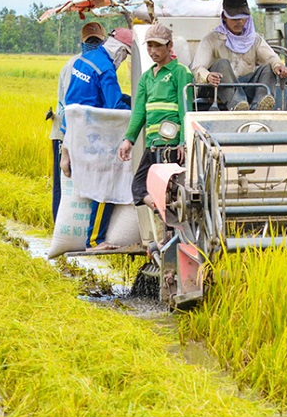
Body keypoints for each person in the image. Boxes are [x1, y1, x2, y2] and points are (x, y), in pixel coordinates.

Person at [61, 27, 133, 251]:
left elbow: (71, 102)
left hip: (77, 134)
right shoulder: (106, 69)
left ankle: (94, 237)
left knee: (97, 183)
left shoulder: (85, 59)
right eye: (125, 55)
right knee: (107, 184)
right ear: (121, 51)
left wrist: (65, 149)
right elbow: (114, 105)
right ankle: (95, 240)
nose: (123, 60)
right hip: (95, 137)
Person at [117, 23, 194, 209]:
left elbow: (186, 109)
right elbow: (139, 112)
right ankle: (160, 209)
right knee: (139, 186)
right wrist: (129, 139)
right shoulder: (146, 77)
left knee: (170, 190)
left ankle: (169, 232)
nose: (153, 51)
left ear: (170, 46)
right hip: (153, 144)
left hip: (171, 143)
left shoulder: (180, 72)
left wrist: (184, 141)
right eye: (150, 46)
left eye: (158, 45)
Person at [48, 21, 107, 222]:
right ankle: (61, 229)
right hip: (66, 133)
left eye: (96, 41)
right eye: (91, 42)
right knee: (65, 186)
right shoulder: (78, 65)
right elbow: (72, 105)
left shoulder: (91, 62)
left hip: (82, 133)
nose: (94, 45)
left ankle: (77, 233)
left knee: (80, 184)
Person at [191, 0, 287, 111]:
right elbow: (197, 68)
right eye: (234, 18)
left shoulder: (254, 39)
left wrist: (278, 66)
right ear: (224, 17)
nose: (239, 22)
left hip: (246, 86)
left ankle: (260, 105)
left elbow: (271, 58)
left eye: (242, 17)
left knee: (268, 68)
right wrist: (207, 76)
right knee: (222, 63)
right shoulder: (211, 39)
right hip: (217, 89)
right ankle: (237, 104)